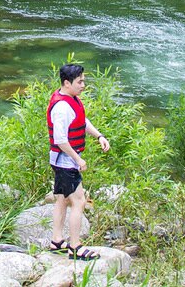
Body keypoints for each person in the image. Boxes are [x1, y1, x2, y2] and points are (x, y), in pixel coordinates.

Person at [47, 63, 111, 260]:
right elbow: (60, 140)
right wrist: (78, 159)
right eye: (80, 82)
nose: (83, 85)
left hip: (63, 160)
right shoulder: (62, 108)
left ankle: (56, 241)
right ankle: (75, 246)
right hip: (65, 161)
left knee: (62, 199)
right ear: (67, 83)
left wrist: (99, 135)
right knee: (78, 201)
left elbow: (82, 121)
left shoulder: (72, 100)